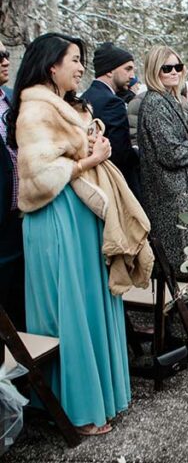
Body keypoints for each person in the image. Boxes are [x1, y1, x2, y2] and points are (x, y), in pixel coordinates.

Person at [8, 33, 130, 435]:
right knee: (70, 309)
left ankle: (95, 398)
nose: (81, 67)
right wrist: (90, 159)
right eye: (74, 60)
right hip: (56, 218)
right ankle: (77, 410)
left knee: (87, 303)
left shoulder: (61, 106)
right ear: (51, 66)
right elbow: (38, 178)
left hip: (76, 215)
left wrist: (92, 145)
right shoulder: (35, 109)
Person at [137, 46, 188, 357]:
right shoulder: (155, 104)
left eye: (177, 67)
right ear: (153, 72)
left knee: (186, 267)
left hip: (182, 196)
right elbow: (171, 154)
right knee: (178, 268)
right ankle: (181, 336)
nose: (172, 72)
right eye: (164, 68)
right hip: (171, 200)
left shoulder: (170, 100)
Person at [82, 42, 141, 199]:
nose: (132, 76)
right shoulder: (112, 102)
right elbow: (121, 154)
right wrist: (139, 152)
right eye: (127, 69)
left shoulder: (84, 97)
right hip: (115, 186)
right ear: (109, 70)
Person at [0, 41, 24, 327]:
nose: (6, 60)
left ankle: (20, 368)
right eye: (0, 56)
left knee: (18, 299)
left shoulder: (10, 98)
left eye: (7, 54)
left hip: (20, 213)